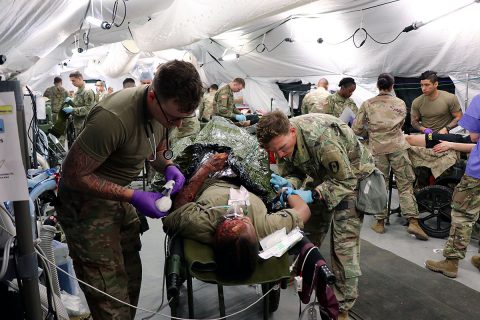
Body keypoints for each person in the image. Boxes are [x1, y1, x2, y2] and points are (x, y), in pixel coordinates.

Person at [55, 60, 203, 319]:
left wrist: (168, 165)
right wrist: (133, 196)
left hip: (119, 198)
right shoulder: (113, 118)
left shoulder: (164, 112)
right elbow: (73, 175)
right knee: (110, 296)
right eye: (173, 118)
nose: (177, 125)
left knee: (131, 279)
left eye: (184, 118)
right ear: (153, 95)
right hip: (86, 205)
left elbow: (156, 149)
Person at [256, 111, 375, 320]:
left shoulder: (322, 138)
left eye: (283, 148)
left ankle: (341, 307)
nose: (281, 155)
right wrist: (289, 185)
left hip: (352, 178)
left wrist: (312, 193)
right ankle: (301, 269)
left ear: (292, 131)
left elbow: (345, 180)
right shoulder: (282, 141)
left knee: (343, 246)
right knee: (306, 232)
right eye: (275, 152)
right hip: (321, 174)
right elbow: (293, 172)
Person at [162, 152, 311, 280]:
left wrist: (206, 169)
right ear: (257, 240)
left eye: (230, 221)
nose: (238, 215)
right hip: (251, 176)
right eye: (245, 221)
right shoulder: (265, 228)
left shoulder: (201, 224)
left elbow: (177, 208)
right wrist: (287, 190)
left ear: (216, 238)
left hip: (212, 177)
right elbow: (303, 210)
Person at [352, 73, 428, 239]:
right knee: (405, 184)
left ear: (378, 86)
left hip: (377, 149)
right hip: (398, 147)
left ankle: (379, 222)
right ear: (392, 86)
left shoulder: (367, 104)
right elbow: (401, 124)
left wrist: (370, 131)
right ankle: (413, 221)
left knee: (381, 184)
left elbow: (356, 129)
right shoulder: (400, 103)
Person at [425, 94, 480, 277]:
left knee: (462, 215)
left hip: (477, 174)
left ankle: (451, 262)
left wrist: (451, 144)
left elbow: (474, 136)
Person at [411, 70, 463, 134]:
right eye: (422, 85)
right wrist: (423, 129)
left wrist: (446, 128)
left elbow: (459, 117)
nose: (423, 88)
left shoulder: (450, 98)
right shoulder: (417, 101)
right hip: (427, 136)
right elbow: (413, 121)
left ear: (436, 84)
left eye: (427, 85)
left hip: (445, 136)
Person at [64, 71, 96, 135]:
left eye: (73, 81)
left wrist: (73, 110)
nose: (72, 83)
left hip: (85, 124)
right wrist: (71, 101)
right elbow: (79, 103)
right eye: (71, 81)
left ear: (80, 79)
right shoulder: (78, 90)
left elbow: (88, 109)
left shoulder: (87, 91)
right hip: (78, 123)